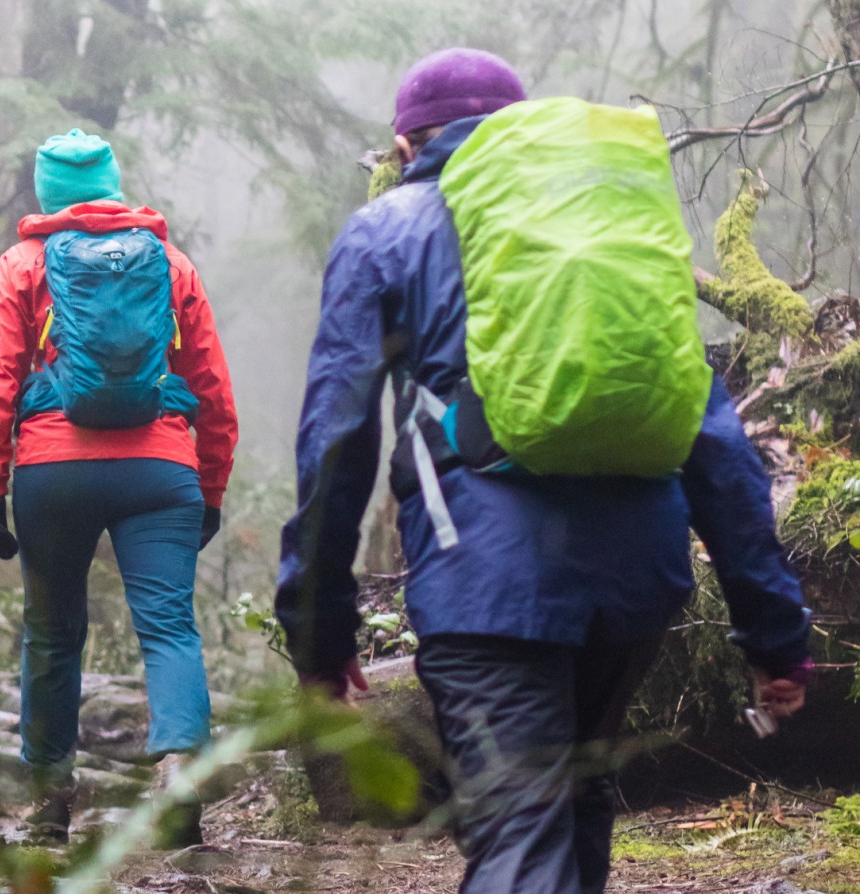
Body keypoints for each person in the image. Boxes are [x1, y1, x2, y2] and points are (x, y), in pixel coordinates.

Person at [275, 48, 811, 893]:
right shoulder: (608, 226)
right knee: (575, 799)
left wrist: (318, 631)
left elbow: (336, 436)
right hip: (637, 578)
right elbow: (713, 439)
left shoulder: (387, 229)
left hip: (485, 584)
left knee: (520, 833)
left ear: (405, 146)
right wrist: (773, 633)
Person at [0, 129, 238, 846]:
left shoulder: (22, 264)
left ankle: (49, 801)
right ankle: (178, 767)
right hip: (160, 469)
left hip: (53, 473)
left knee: (52, 636)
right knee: (168, 627)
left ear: (45, 191)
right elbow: (210, 385)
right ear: (113, 184)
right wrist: (208, 487)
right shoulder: (170, 264)